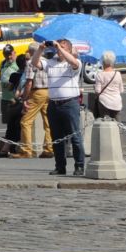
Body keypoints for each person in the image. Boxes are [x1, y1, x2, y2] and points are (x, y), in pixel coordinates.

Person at [42, 39, 87, 176]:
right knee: (56, 138)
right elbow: (34, 63)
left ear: (68, 49)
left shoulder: (75, 63)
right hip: (54, 104)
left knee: (75, 137)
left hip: (69, 103)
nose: (58, 50)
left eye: (62, 48)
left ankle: (79, 166)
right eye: (57, 47)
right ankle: (60, 166)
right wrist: (40, 49)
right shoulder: (51, 62)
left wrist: (59, 48)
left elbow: (73, 62)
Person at [15, 43, 52, 158]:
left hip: (37, 92)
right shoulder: (47, 62)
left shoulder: (31, 62)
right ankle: (49, 148)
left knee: (26, 121)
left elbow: (29, 82)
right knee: (48, 122)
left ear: (31, 52)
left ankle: (26, 150)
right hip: (49, 91)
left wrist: (25, 98)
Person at [93, 52, 125, 132]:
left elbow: (97, 91)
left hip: (104, 102)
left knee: (105, 126)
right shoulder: (118, 74)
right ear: (112, 62)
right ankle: (118, 140)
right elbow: (121, 90)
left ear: (103, 62)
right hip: (116, 102)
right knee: (118, 125)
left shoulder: (100, 75)